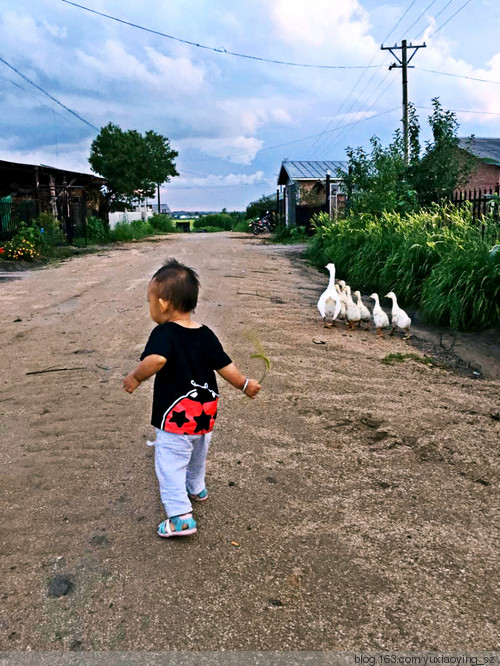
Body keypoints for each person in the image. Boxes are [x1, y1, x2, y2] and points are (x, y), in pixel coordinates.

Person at [123, 258, 261, 538]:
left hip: (176, 419)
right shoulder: (206, 334)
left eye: (149, 300)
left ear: (162, 303)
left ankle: (180, 516)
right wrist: (244, 384)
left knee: (170, 464)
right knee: (198, 454)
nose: (149, 306)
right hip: (204, 414)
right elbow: (226, 367)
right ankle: (197, 488)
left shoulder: (164, 333)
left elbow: (157, 359)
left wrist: (136, 377)